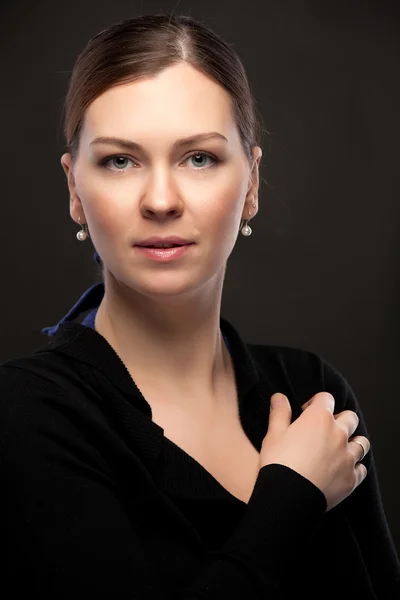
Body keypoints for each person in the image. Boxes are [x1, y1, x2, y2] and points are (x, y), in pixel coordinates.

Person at [0, 12, 399, 599]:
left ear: (252, 184)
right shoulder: (27, 414)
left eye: (199, 158)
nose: (161, 200)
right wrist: (290, 497)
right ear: (74, 191)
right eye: (119, 160)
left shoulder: (315, 393)